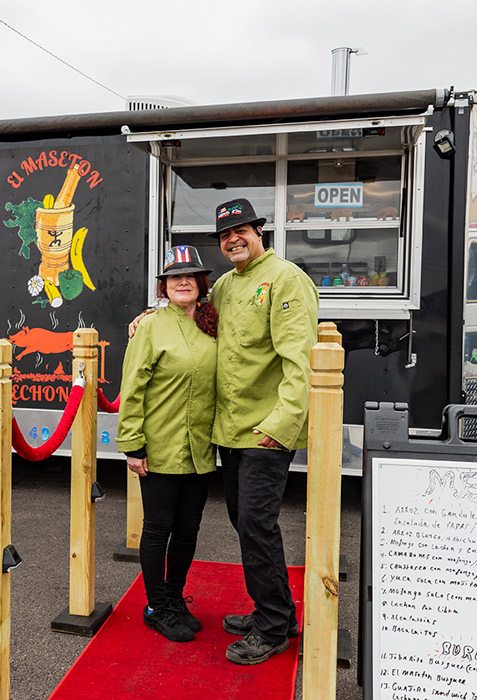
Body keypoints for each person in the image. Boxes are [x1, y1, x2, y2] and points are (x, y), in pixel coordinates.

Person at [208, 197, 319, 665]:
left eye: (243, 230)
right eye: (225, 234)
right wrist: (149, 317)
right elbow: (193, 320)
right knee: (248, 524)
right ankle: (275, 612)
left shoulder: (286, 278)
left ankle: (273, 628)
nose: (234, 238)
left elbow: (300, 360)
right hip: (231, 429)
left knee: (255, 523)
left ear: (260, 233)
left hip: (266, 429)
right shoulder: (225, 287)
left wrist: (283, 424)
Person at [117, 245, 219, 643]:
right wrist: (132, 444)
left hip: (200, 448)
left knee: (189, 528)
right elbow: (133, 387)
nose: (182, 281)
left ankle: (175, 598)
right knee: (158, 528)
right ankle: (156, 606)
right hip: (160, 446)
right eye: (175, 276)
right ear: (164, 285)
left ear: (200, 283)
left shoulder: (213, 323)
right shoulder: (150, 327)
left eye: (189, 276)